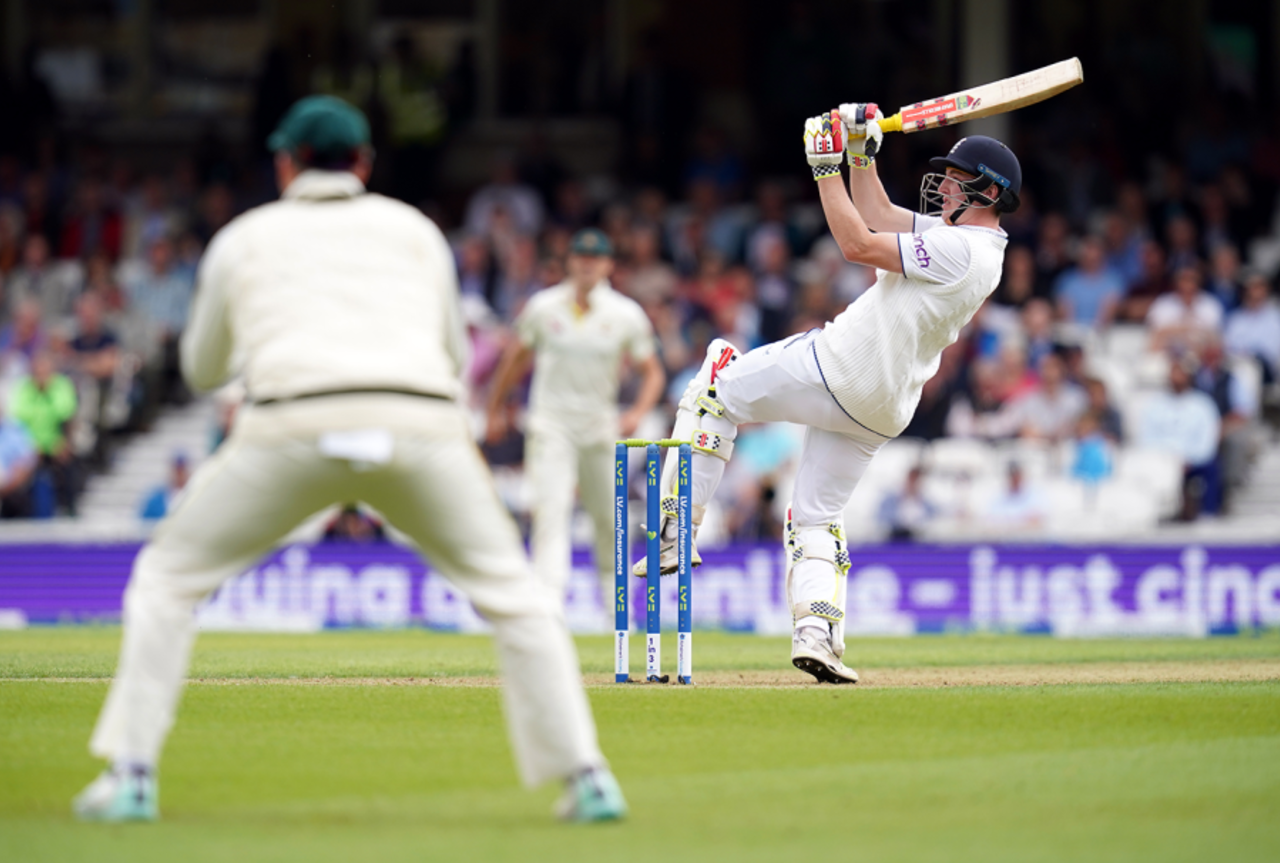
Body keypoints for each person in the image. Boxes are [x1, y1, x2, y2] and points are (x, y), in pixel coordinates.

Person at [73, 96, 625, 824]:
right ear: (364, 163)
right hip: (418, 422)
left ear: (284, 163)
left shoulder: (244, 236)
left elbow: (204, 371)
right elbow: (455, 357)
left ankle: (133, 774)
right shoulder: (417, 230)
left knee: (167, 579)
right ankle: (587, 776)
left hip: (289, 423)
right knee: (517, 595)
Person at [639, 107, 1020, 684]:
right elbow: (880, 214)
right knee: (816, 516)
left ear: (989, 190)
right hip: (884, 406)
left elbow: (857, 243)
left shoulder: (961, 251)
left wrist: (824, 167)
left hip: (841, 367)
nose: (941, 185)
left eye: (954, 177)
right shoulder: (972, 244)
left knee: (715, 384)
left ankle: (674, 531)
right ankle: (819, 634)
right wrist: (862, 155)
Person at [485, 228, 665, 605]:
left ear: (608, 265)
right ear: (568, 261)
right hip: (550, 425)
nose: (586, 264)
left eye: (595, 257)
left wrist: (636, 413)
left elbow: (653, 372)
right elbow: (515, 360)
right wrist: (494, 408)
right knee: (551, 511)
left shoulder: (624, 314)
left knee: (608, 521)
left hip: (600, 427)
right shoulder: (543, 306)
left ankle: (616, 611)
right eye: (580, 257)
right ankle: (548, 606)